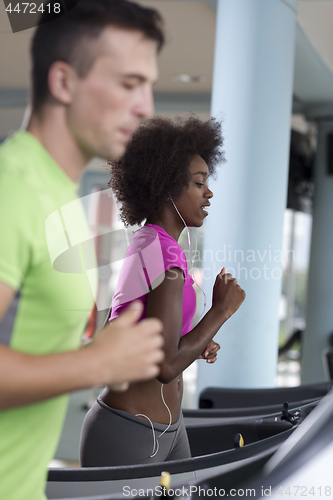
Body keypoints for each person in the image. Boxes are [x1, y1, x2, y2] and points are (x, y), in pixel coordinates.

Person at [0, 2, 166, 499]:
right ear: (64, 83)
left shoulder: (60, 197)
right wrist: (97, 364)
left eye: (149, 86)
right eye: (128, 83)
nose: (146, 106)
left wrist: (101, 350)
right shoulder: (13, 189)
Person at [79, 116, 246, 467]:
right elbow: (166, 365)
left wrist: (196, 344)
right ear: (168, 186)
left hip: (169, 428)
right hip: (130, 433)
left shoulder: (154, 244)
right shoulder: (162, 254)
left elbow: (152, 338)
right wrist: (221, 311)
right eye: (199, 183)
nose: (209, 192)